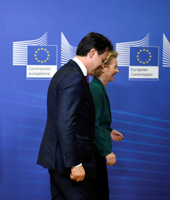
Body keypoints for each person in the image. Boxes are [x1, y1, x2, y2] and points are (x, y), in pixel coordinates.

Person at [37, 32, 113, 200]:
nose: (102, 66)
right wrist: (75, 164)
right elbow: (66, 123)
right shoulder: (73, 77)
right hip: (69, 164)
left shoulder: (67, 72)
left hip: (59, 161)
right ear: (92, 53)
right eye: (102, 60)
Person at [89, 50, 124, 200]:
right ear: (103, 67)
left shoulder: (99, 89)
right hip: (94, 154)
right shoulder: (96, 90)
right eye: (115, 66)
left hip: (97, 152)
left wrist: (108, 130)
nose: (117, 70)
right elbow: (92, 123)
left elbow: (97, 121)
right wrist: (107, 151)